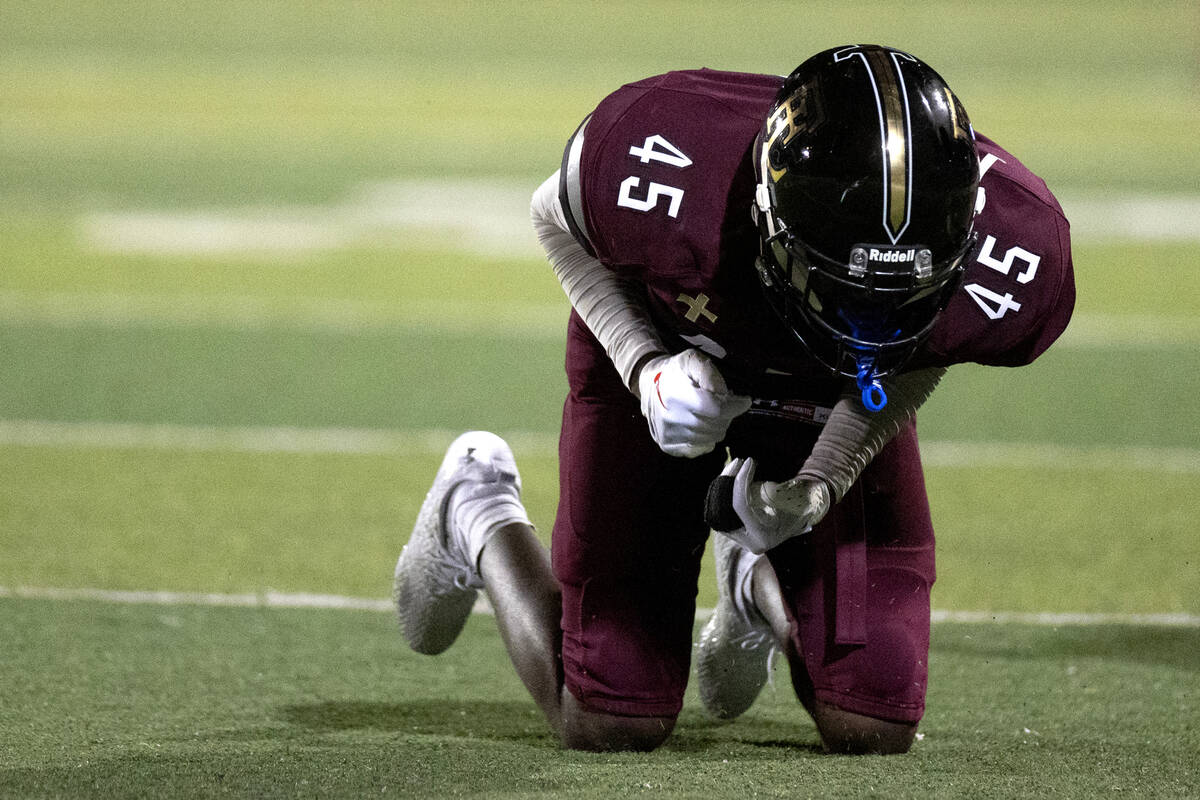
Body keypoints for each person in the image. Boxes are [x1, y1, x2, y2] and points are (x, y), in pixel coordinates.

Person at [393, 44, 1075, 753]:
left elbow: (912, 353)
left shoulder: (1019, 248)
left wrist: (819, 485)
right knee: (612, 717)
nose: (871, 319)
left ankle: (752, 577)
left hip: (837, 400)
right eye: (846, 286)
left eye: (903, 296)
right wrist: (646, 368)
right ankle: (475, 506)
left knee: (873, 720)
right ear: (767, 218)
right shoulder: (665, 156)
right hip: (678, 349)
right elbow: (554, 216)